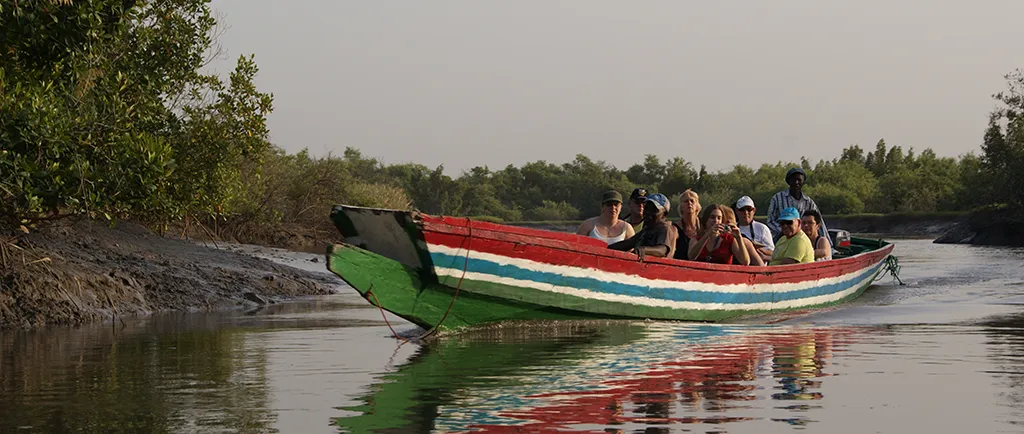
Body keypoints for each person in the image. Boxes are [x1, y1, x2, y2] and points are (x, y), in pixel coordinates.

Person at [766, 168, 829, 246]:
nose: (796, 182)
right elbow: (770, 221)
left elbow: (819, 223)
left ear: (803, 182)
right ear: (788, 182)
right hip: (783, 239)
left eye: (799, 180)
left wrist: (828, 244)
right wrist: (785, 229)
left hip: (803, 240)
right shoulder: (778, 198)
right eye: (793, 180)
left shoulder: (808, 202)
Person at [609, 193, 678, 261]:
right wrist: (606, 248)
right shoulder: (647, 230)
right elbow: (628, 243)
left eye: (653, 210)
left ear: (664, 215)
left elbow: (662, 250)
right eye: (646, 208)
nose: (648, 212)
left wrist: (643, 250)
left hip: (658, 269)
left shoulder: (664, 228)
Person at [734, 195, 774, 263]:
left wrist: (754, 249)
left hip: (758, 269)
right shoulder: (733, 228)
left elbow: (772, 252)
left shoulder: (762, 228)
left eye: (749, 209)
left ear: (754, 210)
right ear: (736, 211)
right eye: (742, 210)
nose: (746, 212)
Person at [672, 189, 702, 260]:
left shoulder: (704, 225)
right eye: (686, 201)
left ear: (697, 206)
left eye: (692, 201)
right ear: (681, 207)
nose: (689, 203)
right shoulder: (674, 228)